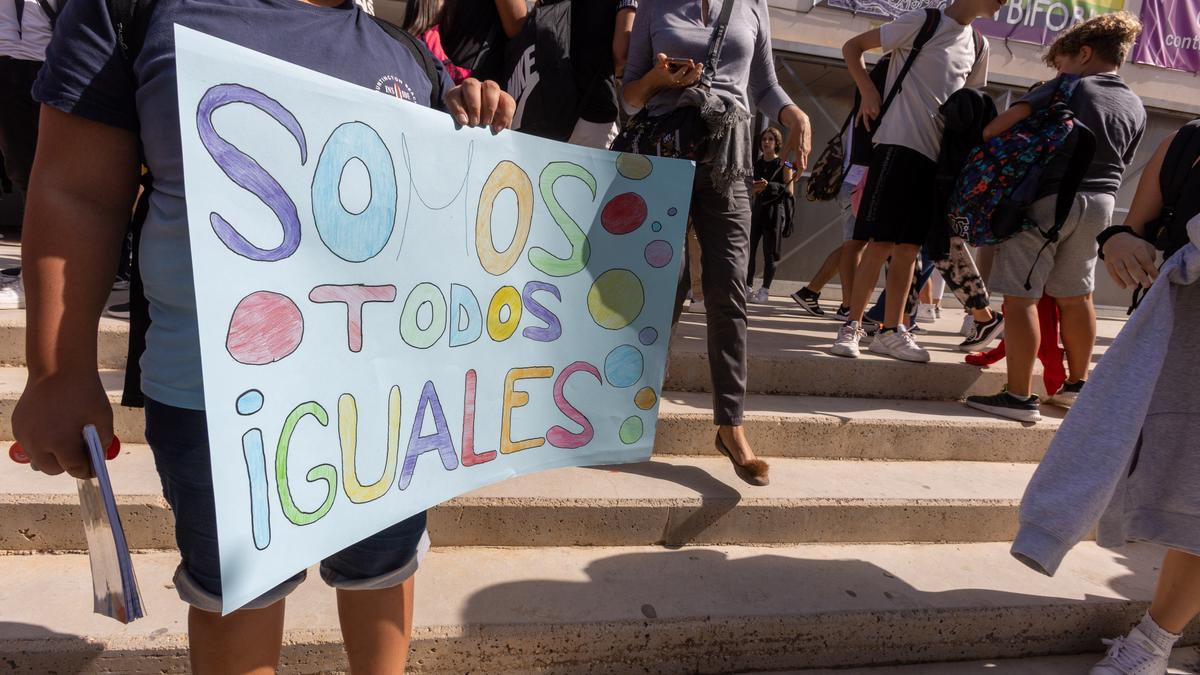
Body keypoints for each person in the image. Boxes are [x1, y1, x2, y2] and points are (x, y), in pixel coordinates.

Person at [9, 0, 515, 670]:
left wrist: (471, 125)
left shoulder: (406, 54)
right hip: (214, 401)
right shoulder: (138, 10)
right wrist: (56, 368)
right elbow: (78, 190)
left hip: (384, 403)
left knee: (384, 565)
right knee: (240, 592)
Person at [1009, 119, 1200, 675]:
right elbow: (1129, 229)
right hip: (1180, 339)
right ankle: (1152, 643)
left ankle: (1153, 643)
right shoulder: (1185, 144)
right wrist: (1119, 241)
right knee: (1192, 505)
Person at [622, 0, 812, 487]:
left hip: (728, 162)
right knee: (662, 286)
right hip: (664, 158)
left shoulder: (753, 6)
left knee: (729, 288)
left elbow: (764, 85)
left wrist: (794, 114)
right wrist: (662, 81)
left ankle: (730, 425)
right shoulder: (655, 5)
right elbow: (630, 94)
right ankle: (626, 411)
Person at [966, 13, 1145, 423]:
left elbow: (994, 130)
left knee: (1021, 295)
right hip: (1101, 204)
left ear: (1083, 53)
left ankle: (1018, 397)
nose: (1058, 69)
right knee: (1077, 295)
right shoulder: (1134, 103)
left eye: (1061, 60)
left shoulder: (1067, 86)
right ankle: (1076, 388)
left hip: (1048, 200)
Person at [830, 0, 996, 362]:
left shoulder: (981, 46)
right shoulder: (925, 21)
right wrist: (869, 92)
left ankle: (891, 330)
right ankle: (852, 326)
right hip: (897, 142)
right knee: (879, 242)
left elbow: (968, 102)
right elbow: (852, 46)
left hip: (937, 160)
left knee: (909, 250)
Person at [0, 0, 61, 309]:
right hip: (7, 66)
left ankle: (36, 279)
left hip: (49, 68)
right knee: (22, 172)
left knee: (45, 176)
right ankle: (33, 273)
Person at [747, 126, 794, 303]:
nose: (766, 142)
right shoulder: (757, 163)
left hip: (775, 211)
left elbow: (789, 190)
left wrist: (770, 186)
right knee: (749, 250)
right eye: (764, 139)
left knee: (770, 252)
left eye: (770, 139)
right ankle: (747, 286)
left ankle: (765, 290)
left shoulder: (785, 163)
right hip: (758, 209)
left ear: (777, 143)